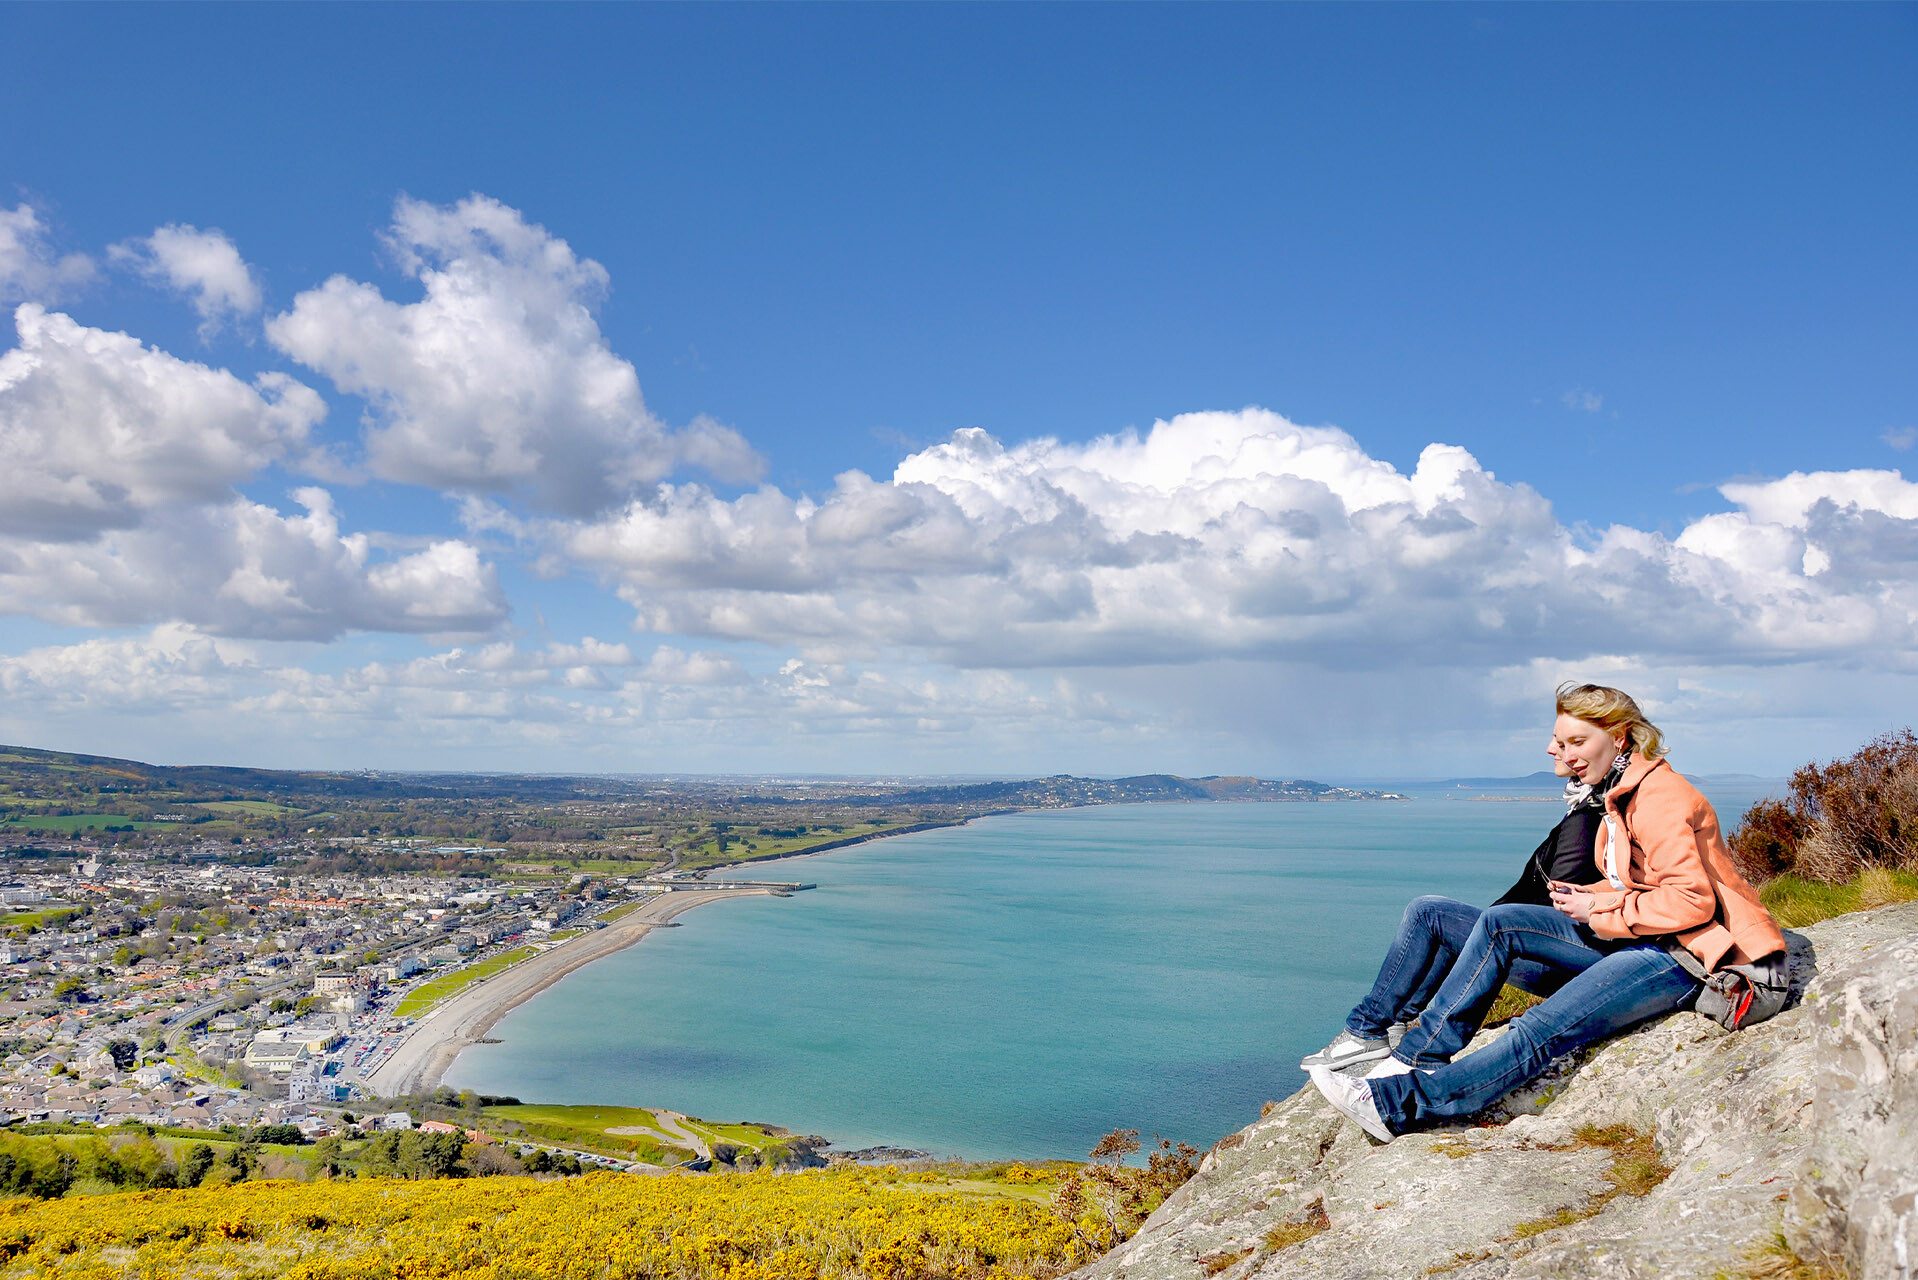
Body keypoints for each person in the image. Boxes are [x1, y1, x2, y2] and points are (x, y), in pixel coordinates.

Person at [1301, 683, 1786, 1142]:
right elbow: (1644, 885)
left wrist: (1597, 905)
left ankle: (1400, 1106)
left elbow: (1691, 901)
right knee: (1500, 922)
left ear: (1618, 738)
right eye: (1559, 741)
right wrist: (1598, 900)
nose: (1565, 754)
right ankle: (1417, 1057)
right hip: (1659, 939)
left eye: (1578, 741)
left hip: (1705, 960)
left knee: (1541, 1030)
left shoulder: (1659, 796)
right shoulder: (1622, 791)